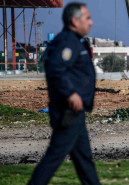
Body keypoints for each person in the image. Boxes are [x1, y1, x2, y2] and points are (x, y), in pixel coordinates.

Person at [28, 2, 101, 185]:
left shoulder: (76, 41)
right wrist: (70, 94)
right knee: (53, 158)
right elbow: (55, 68)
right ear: (75, 21)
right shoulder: (67, 42)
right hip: (67, 112)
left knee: (84, 161)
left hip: (75, 112)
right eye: (87, 18)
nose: (91, 23)